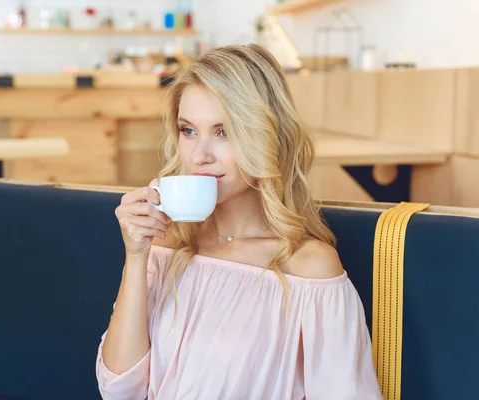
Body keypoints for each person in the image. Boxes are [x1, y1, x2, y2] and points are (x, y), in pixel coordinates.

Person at [96, 44, 383, 399]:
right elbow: (119, 389)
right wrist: (136, 257)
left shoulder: (309, 269)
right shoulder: (165, 246)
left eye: (224, 131)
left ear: (266, 136)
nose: (199, 155)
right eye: (188, 131)